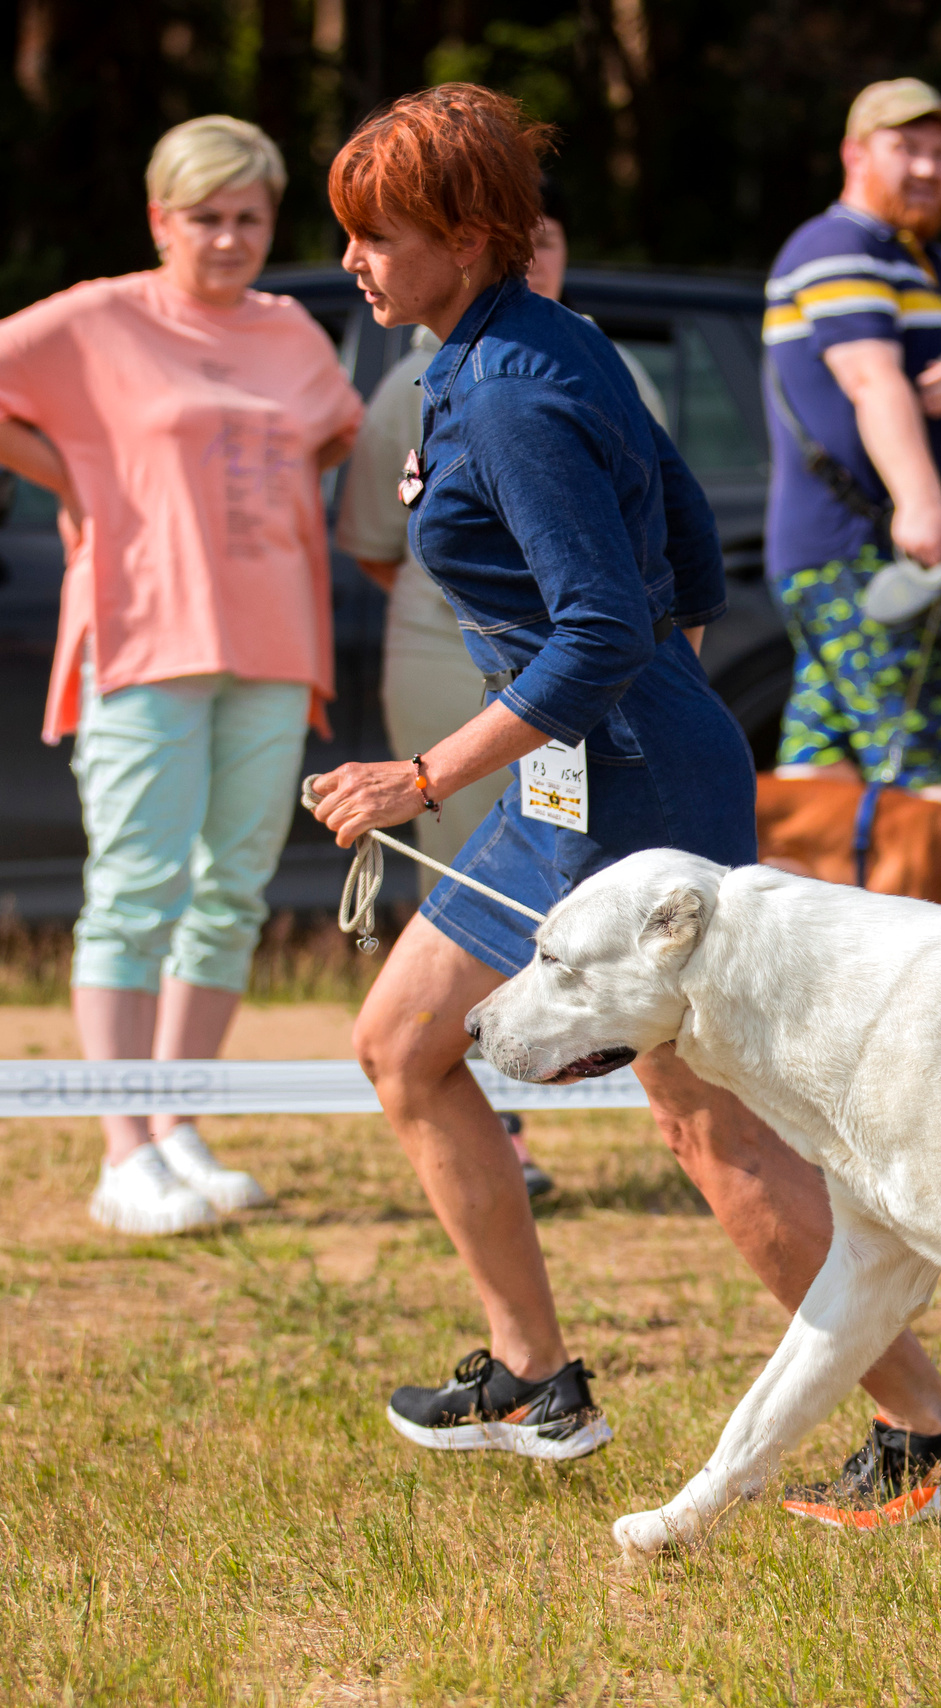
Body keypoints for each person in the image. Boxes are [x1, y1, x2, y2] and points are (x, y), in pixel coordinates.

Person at [307, 85, 941, 1525]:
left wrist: (423, 774)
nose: (357, 264)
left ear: (467, 232)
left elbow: (591, 633)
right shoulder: (515, 345)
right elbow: (685, 525)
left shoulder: (506, 390)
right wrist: (660, 680)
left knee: (710, 1132)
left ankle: (939, 1436)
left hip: (623, 792)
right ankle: (531, 1382)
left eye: (379, 236)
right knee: (403, 1046)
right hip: (594, 774)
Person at [0, 116, 364, 1236]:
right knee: (136, 887)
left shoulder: (293, 331)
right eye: (204, 218)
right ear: (161, 220)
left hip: (273, 641)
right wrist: (77, 476)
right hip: (144, 634)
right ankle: (122, 1151)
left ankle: (177, 1125)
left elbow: (331, 439)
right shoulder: (99, 315)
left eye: (249, 218)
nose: (228, 238)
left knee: (231, 894)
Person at [337, 181, 608, 1199]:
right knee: (461, 886)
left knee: (576, 892)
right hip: (449, 663)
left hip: (576, 676)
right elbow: (376, 544)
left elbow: (640, 580)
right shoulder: (407, 386)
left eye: (547, 244)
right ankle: (503, 1122)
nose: (532, 262)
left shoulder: (565, 366)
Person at [761, 78, 941, 830]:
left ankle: (779, 938)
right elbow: (871, 379)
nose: (927, 168)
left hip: (856, 557)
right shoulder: (836, 246)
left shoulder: (934, 264)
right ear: (855, 154)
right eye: (906, 149)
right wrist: (921, 502)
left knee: (813, 777)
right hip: (860, 552)